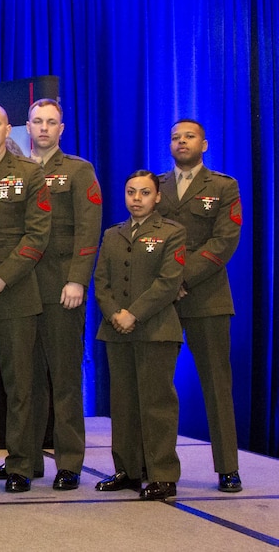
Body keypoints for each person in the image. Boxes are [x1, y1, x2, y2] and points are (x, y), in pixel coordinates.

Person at [0, 102, 51, 493]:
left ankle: (20, 463)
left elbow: (37, 237)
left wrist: (1, 277)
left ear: (8, 129)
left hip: (14, 292)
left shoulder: (31, 174)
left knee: (20, 386)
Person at [157, 119, 243, 492]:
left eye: (188, 137)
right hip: (160, 301)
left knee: (216, 385)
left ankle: (227, 467)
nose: (181, 142)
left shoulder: (223, 186)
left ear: (204, 144)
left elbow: (224, 242)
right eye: (175, 137)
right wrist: (165, 286)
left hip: (206, 296)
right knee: (156, 387)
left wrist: (180, 279)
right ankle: (155, 467)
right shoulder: (154, 186)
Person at [94, 170, 186, 501]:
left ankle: (162, 474)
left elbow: (168, 282)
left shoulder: (172, 232)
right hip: (117, 331)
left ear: (157, 196)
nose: (137, 198)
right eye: (131, 192)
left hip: (156, 330)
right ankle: (128, 470)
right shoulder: (113, 234)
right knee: (123, 404)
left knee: (156, 403)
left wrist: (133, 313)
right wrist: (115, 313)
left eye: (144, 193)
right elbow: (101, 282)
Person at [25, 99, 102, 490]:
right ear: (27, 126)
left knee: (65, 378)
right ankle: (28, 461)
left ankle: (70, 462)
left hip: (61, 288)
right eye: (37, 121)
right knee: (27, 380)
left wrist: (78, 280)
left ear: (62, 128)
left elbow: (89, 230)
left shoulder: (77, 170)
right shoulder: (15, 171)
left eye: (50, 122)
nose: (43, 128)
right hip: (20, 288)